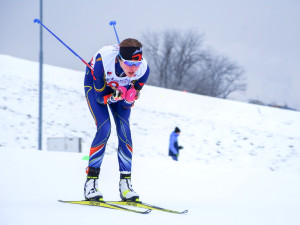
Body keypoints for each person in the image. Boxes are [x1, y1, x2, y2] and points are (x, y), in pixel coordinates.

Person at [83, 38, 150, 202]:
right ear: (119, 60)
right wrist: (113, 96)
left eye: (137, 63)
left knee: (124, 131)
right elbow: (100, 98)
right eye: (129, 64)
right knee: (105, 128)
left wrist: (128, 99)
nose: (134, 69)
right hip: (96, 87)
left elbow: (130, 101)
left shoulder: (143, 70)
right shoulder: (102, 61)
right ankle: (91, 183)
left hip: (120, 89)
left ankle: (125, 186)